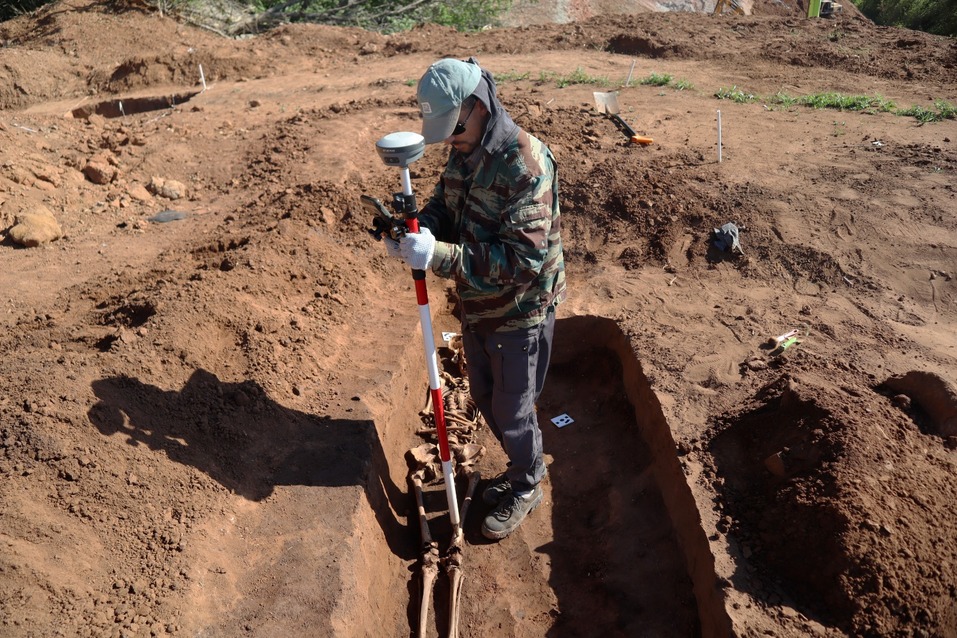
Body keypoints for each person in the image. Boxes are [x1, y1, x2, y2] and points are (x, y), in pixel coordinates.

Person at [385, 56, 566, 540]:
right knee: (485, 395)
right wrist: (416, 230)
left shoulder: (525, 164)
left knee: (512, 408)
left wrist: (437, 256)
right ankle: (520, 467)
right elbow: (447, 203)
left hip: (519, 311)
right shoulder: (465, 148)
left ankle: (529, 481)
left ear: (478, 105)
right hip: (478, 304)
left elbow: (520, 263)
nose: (447, 139)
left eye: (453, 127)